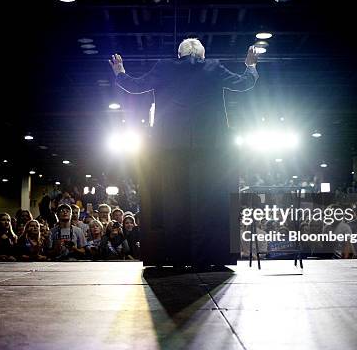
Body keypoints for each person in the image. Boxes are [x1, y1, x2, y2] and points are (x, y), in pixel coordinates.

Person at [110, 39, 259, 267]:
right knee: (209, 202)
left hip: (170, 147)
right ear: (202, 54)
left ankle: (176, 258)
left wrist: (120, 72)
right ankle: (209, 258)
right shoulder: (213, 66)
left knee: (173, 203)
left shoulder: (163, 66)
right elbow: (243, 84)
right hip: (211, 148)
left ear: (179, 54)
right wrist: (250, 66)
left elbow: (135, 86)